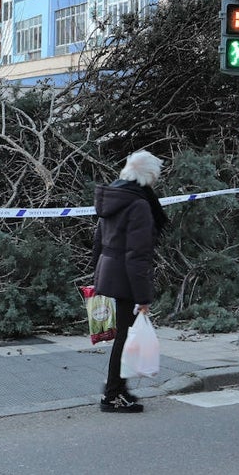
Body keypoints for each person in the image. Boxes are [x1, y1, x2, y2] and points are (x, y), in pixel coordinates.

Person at [92, 150, 170, 412]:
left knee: (123, 335)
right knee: (124, 337)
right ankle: (113, 394)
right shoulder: (138, 204)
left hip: (109, 270)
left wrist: (97, 274)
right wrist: (143, 296)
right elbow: (138, 255)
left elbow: (98, 241)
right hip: (126, 276)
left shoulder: (114, 196)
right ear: (148, 176)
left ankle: (118, 390)